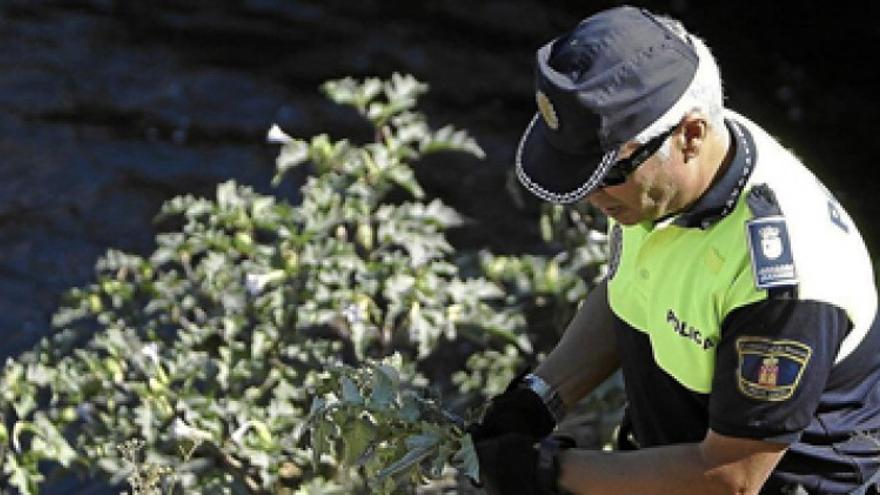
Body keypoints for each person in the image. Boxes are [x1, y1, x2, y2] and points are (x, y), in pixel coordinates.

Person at [471, 5, 880, 495]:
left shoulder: (783, 279)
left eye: (608, 176)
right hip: (669, 452)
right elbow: (633, 287)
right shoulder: (664, 177)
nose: (591, 197)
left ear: (690, 136)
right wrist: (539, 399)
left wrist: (546, 472)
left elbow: (732, 477)